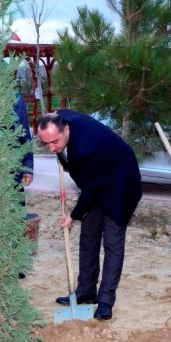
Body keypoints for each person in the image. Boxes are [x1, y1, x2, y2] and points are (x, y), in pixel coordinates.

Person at [37, 111, 142, 320]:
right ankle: (86, 291)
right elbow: (58, 113)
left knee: (112, 243)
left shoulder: (85, 148)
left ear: (66, 129)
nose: (52, 148)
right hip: (99, 178)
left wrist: (72, 216)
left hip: (121, 186)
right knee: (88, 237)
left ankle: (105, 302)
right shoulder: (63, 118)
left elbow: (90, 190)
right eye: (46, 144)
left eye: (55, 142)